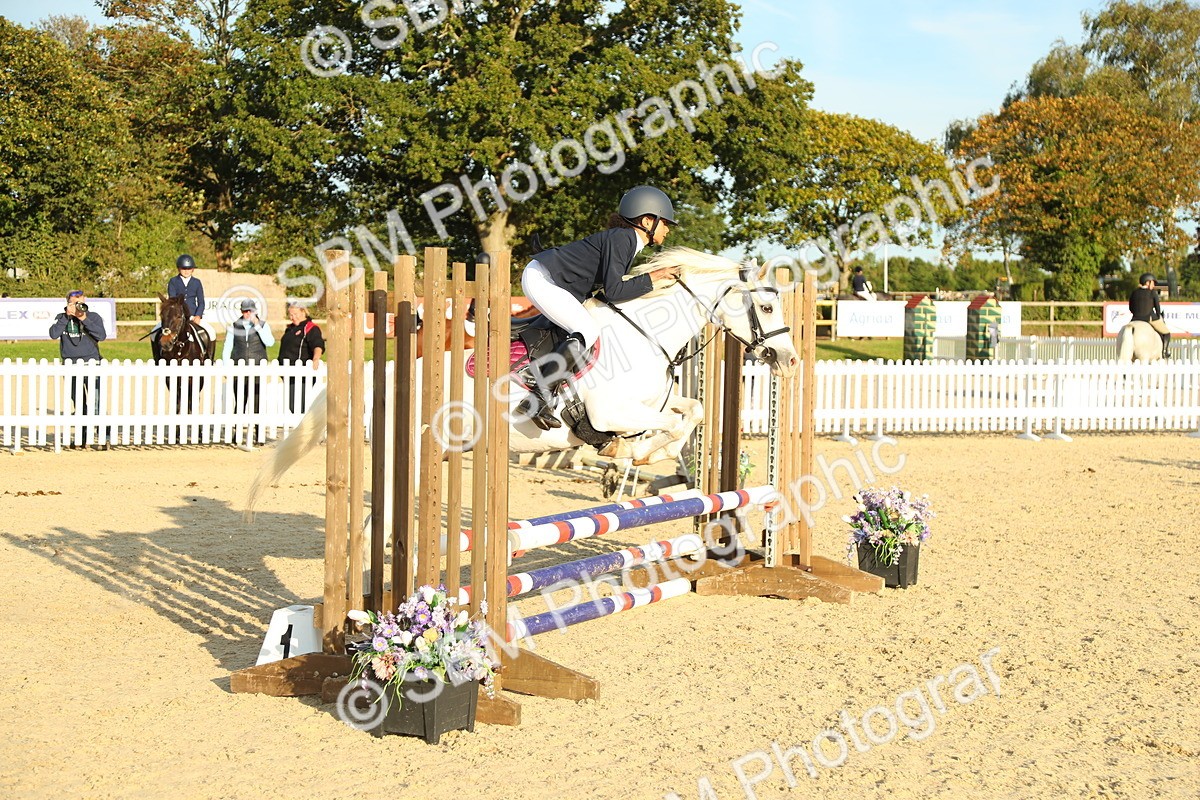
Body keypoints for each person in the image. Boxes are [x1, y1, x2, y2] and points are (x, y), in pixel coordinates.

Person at [514, 185, 681, 430]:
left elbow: (607, 292)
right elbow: (614, 291)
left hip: (551, 279)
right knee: (586, 330)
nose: (667, 229)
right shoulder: (623, 238)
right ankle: (538, 397)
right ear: (647, 220)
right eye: (665, 223)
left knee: (587, 326)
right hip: (542, 278)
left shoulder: (626, 241)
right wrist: (652, 278)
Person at [49, 290, 107, 445]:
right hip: (70, 365)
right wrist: (66, 317)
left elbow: (101, 336)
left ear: (85, 301)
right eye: (73, 303)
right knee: (79, 403)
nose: (77, 306)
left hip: (91, 362)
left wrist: (83, 318)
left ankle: (104, 435)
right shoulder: (62, 318)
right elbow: (53, 334)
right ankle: (83, 436)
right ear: (67, 303)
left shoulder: (93, 317)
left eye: (79, 302)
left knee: (96, 402)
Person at [222, 299, 275, 421]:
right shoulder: (234, 326)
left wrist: (257, 325)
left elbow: (270, 342)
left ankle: (257, 431)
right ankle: (237, 431)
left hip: (257, 368)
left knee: (257, 402)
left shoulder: (263, 325)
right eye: (245, 311)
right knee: (240, 401)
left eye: (250, 311)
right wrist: (226, 367)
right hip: (239, 368)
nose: (247, 314)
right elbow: (227, 346)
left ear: (254, 311)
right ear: (241, 311)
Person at [156, 254, 216, 349]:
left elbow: (201, 302)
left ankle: (208, 356)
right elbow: (172, 301)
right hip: (176, 317)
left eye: (189, 269)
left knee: (211, 332)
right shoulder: (173, 281)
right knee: (154, 332)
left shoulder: (197, 282)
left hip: (193, 316)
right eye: (183, 268)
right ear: (178, 269)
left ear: (192, 269)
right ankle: (157, 357)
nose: (186, 271)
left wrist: (198, 316)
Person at [277, 303, 325, 412]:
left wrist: (316, 359)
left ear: (303, 312)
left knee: (298, 404)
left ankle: (304, 426)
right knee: (292, 404)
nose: (293, 317)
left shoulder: (311, 328)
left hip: (302, 373)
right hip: (288, 371)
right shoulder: (289, 329)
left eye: (295, 314)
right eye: (290, 315)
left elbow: (317, 345)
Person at [1129, 272, 1171, 359]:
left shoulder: (1134, 292)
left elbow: (1131, 308)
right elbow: (1158, 308)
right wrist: (1159, 316)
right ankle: (1164, 352)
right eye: (1152, 283)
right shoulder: (1152, 293)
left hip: (1134, 319)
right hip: (1149, 318)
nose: (1153, 285)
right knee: (1166, 333)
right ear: (1147, 282)